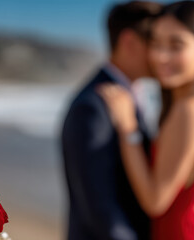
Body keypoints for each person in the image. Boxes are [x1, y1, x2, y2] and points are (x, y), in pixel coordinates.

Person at [97, 1, 194, 239]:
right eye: (155, 43)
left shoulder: (191, 110)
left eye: (176, 45)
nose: (160, 56)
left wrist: (128, 128)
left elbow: (156, 200)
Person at [61, 1, 161, 239]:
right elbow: (101, 209)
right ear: (130, 42)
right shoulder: (93, 107)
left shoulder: (133, 94)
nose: (163, 54)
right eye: (157, 43)